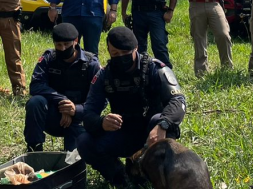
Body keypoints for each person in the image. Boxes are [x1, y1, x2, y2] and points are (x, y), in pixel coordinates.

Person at [77, 27, 186, 188]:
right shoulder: (104, 76)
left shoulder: (155, 69)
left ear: (136, 48)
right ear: (108, 51)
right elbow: (88, 114)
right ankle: (120, 178)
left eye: (125, 53)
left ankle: (156, 178)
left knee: (161, 120)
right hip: (123, 132)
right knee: (84, 141)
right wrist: (101, 122)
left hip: (153, 133)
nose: (121, 57)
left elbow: (178, 100)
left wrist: (163, 124)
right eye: (115, 53)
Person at [24, 23, 101, 152]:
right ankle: (34, 149)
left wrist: (75, 110)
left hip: (80, 118)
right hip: (54, 114)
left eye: (66, 44)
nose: (63, 48)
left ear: (75, 41)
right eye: (58, 45)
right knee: (35, 102)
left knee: (72, 159)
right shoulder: (49, 58)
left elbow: (100, 100)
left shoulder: (91, 64)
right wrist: (63, 101)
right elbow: (36, 85)